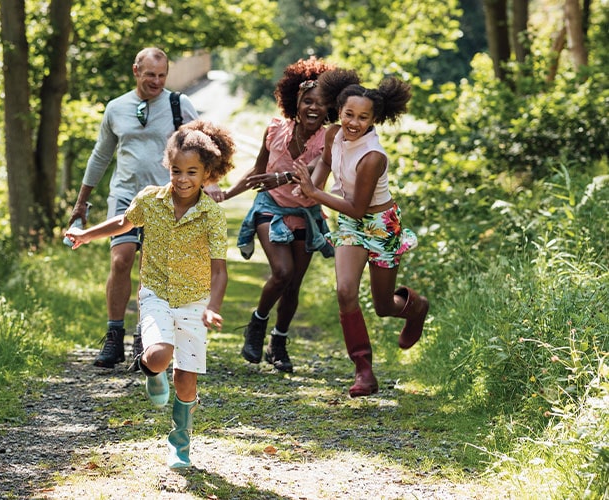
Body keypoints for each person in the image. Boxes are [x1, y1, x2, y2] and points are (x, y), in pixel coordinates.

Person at [65, 120, 235, 469]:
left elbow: (220, 270)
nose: (183, 178)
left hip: (195, 301)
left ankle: (180, 444)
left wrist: (213, 306)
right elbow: (122, 224)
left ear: (207, 174)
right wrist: (86, 235)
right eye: (176, 170)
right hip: (156, 294)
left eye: (192, 172)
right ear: (167, 166)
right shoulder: (149, 200)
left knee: (186, 382)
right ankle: (152, 372)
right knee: (158, 356)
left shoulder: (212, 216)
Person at [290, 68, 430, 397]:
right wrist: (315, 184)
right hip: (351, 225)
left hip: (380, 225)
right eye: (348, 114)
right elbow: (325, 161)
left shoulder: (373, 157)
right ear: (338, 111)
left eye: (362, 118)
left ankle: (416, 308)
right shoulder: (333, 134)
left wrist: (314, 194)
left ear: (373, 121)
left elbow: (357, 206)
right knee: (345, 291)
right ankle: (364, 370)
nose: (353, 123)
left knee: (383, 305)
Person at [68, 47, 200, 369]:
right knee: (121, 259)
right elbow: (100, 155)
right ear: (136, 71)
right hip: (126, 195)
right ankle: (114, 336)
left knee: (154, 270)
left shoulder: (179, 105)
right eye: (150, 74)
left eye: (161, 75)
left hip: (166, 199)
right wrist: (82, 200)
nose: (156, 81)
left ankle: (146, 334)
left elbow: (202, 148)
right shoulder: (116, 108)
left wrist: (207, 188)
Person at [216, 57, 337, 373]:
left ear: (330, 109)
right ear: (295, 101)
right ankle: (257, 324)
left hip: (306, 215)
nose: (314, 108)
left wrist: (283, 177)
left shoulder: (329, 139)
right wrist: (226, 196)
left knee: (294, 285)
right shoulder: (274, 129)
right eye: (308, 101)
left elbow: (317, 175)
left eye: (322, 103)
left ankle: (278, 343)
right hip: (269, 208)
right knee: (282, 272)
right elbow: (258, 172)